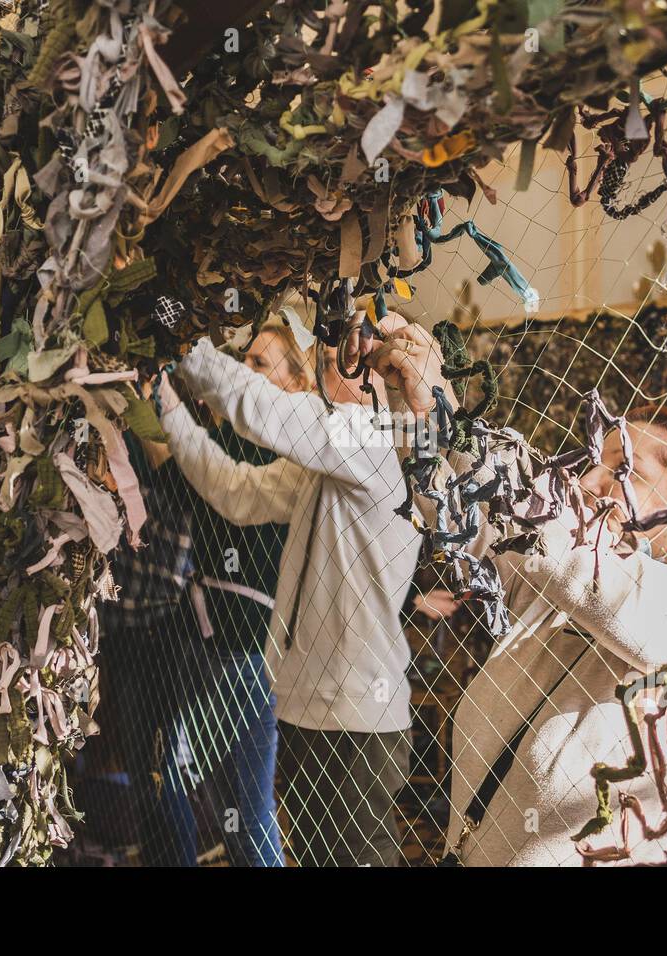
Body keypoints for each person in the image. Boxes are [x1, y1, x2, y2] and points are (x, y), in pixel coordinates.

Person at [365, 317, 667, 866]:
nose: (588, 481)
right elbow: (465, 511)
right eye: (594, 461)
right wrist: (412, 400)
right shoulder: (551, 595)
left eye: (623, 471)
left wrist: (447, 409)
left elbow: (578, 566)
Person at [153, 307, 422, 867]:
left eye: (339, 364)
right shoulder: (332, 467)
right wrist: (166, 400)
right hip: (309, 710)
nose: (325, 378)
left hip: (354, 726)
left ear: (379, 381)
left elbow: (265, 410)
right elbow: (234, 491)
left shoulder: (372, 444)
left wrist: (183, 339)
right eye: (323, 363)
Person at [101, 324, 310, 866]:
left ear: (296, 380)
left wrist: (153, 390)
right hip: (204, 641)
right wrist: (142, 389)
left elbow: (186, 471)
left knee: (243, 811)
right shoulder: (243, 440)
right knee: (207, 799)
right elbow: (176, 476)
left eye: (260, 364)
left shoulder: (286, 447)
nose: (244, 372)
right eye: (243, 360)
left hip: (246, 648)